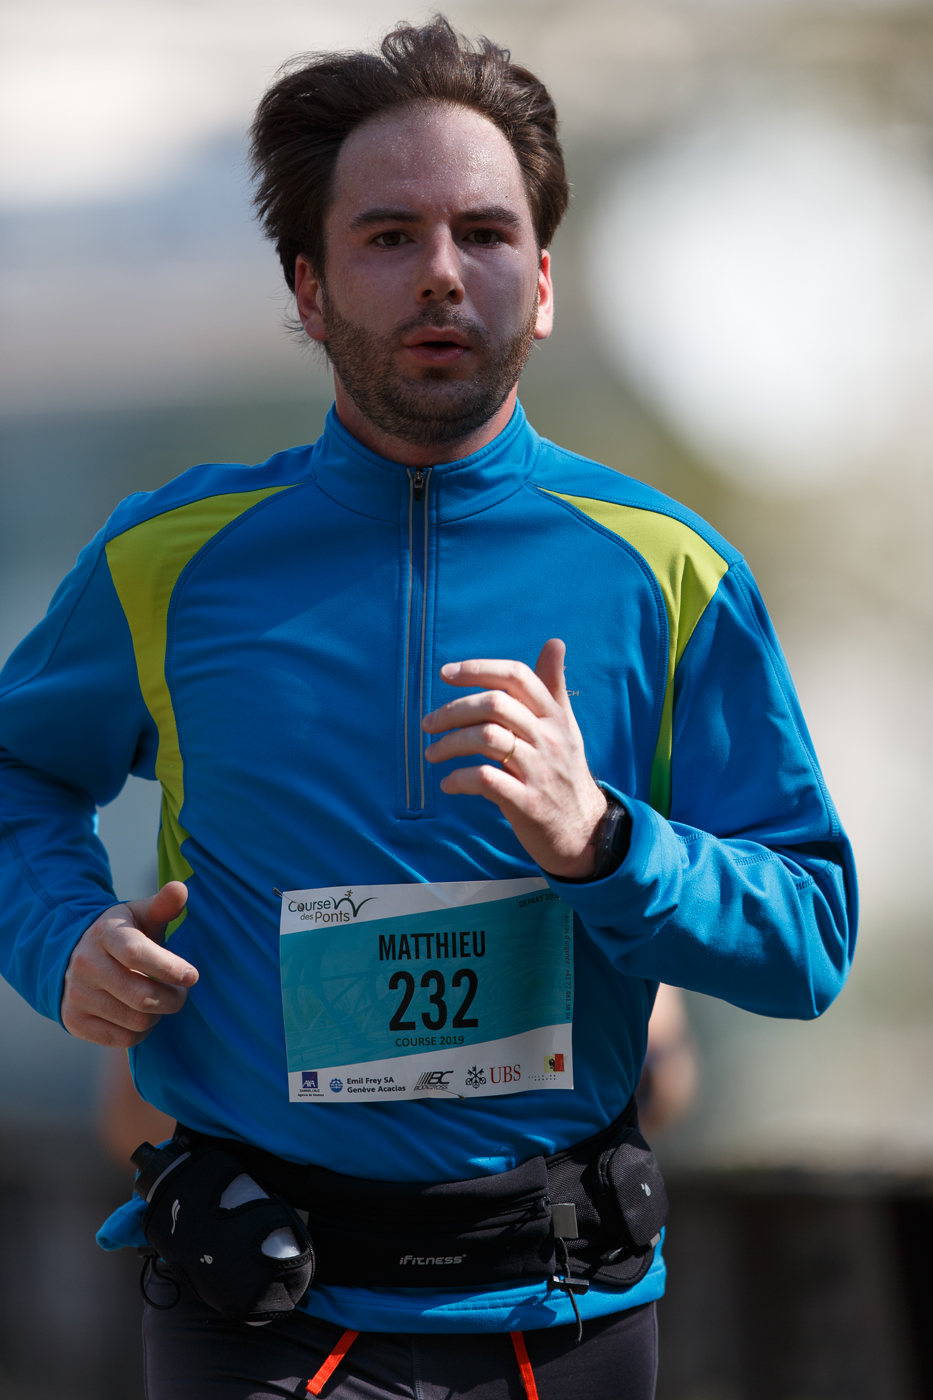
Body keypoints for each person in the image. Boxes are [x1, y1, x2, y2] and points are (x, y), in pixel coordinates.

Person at [0, 18, 856, 1399]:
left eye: (486, 232)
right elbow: (15, 772)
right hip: (256, 1316)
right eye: (389, 236)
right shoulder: (168, 560)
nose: (444, 273)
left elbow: (807, 937)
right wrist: (60, 935)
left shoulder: (670, 570)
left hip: (562, 1318)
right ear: (308, 286)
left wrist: (605, 844)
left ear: (543, 281)